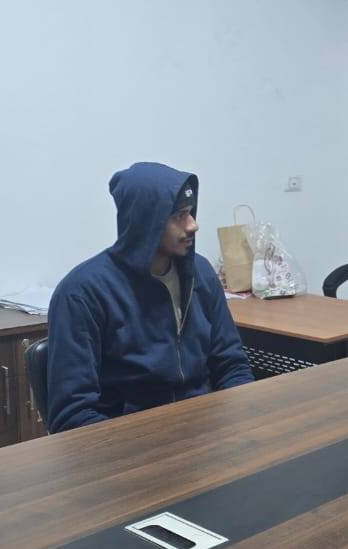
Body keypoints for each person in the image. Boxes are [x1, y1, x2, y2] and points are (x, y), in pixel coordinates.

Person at [46, 162, 253, 433]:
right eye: (179, 216)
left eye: (190, 212)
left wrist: (243, 424)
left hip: (204, 432)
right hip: (128, 442)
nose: (193, 225)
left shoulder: (200, 273)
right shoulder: (81, 293)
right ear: (145, 221)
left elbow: (232, 365)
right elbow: (72, 414)